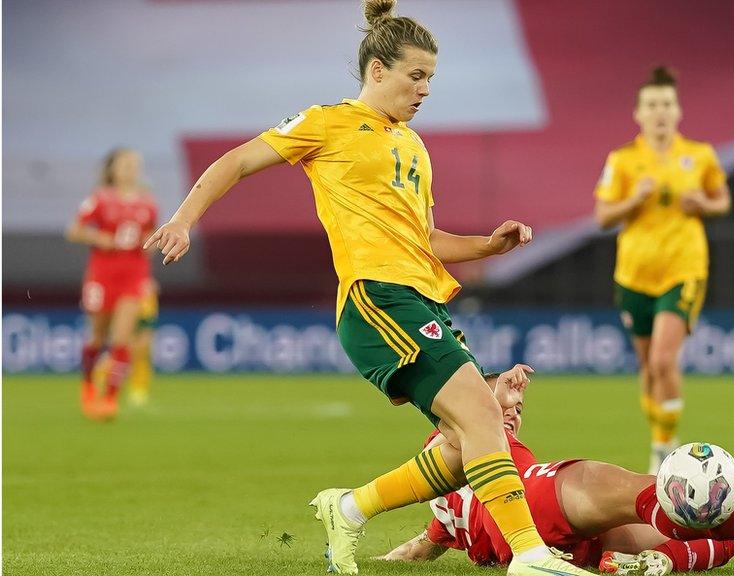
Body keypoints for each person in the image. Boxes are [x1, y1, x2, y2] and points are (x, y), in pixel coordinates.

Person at [144, 2, 590, 574]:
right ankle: (530, 556)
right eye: (416, 74)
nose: (426, 88)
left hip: (419, 300)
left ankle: (349, 510)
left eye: (431, 77)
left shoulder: (413, 147)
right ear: (377, 70)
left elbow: (427, 239)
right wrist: (183, 218)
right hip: (377, 298)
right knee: (483, 413)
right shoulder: (327, 123)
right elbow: (236, 161)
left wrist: (489, 246)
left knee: (460, 450)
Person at [380, 364, 734, 575]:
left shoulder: (446, 507)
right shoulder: (459, 434)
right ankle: (718, 508)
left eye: (519, 410)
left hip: (564, 547)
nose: (512, 412)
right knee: (640, 492)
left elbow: (422, 546)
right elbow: (461, 411)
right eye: (505, 404)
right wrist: (493, 395)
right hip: (534, 502)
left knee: (722, 535)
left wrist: (383, 561)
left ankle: (682, 552)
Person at [593, 66, 732, 473]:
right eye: (652, 105)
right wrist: (632, 200)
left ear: (678, 110)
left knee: (662, 360)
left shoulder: (700, 155)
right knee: (646, 366)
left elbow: (721, 200)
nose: (660, 112)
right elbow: (603, 216)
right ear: (638, 113)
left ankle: (663, 448)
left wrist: (703, 205)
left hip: (684, 268)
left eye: (666, 104)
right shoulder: (622, 160)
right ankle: (661, 436)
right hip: (634, 275)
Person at [66, 147, 158, 421]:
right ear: (113, 169)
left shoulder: (148, 203)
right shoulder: (99, 199)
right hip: (102, 275)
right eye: (125, 163)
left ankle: (109, 399)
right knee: (97, 336)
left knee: (122, 339)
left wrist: (150, 245)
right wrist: (99, 239)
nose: (131, 168)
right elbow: (74, 230)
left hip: (134, 275)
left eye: (134, 163)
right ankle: (88, 387)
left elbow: (149, 238)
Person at [93, 277, 159, 406]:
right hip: (129, 293)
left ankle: (139, 389)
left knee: (144, 348)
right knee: (123, 346)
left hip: (145, 298)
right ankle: (101, 377)